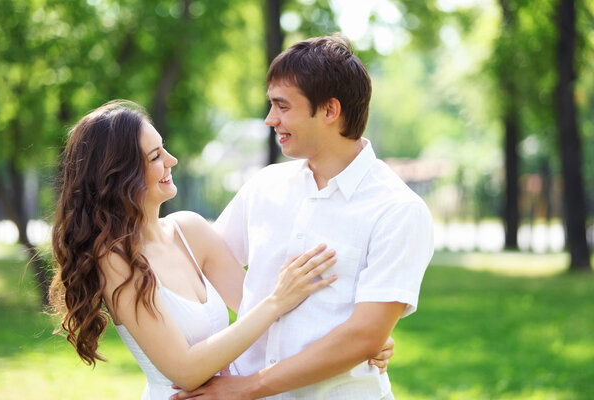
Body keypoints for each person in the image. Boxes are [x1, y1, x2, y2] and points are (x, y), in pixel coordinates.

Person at [172, 34, 434, 400]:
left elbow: (363, 336)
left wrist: (366, 334)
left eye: (282, 107)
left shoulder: (397, 210)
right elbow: (209, 271)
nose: (269, 119)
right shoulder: (265, 186)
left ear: (329, 110)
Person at [48, 100, 343, 400]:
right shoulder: (115, 261)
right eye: (155, 156)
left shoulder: (189, 230)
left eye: (164, 148)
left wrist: (347, 341)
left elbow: (263, 313)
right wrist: (277, 300)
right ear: (120, 176)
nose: (172, 160)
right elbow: (186, 371)